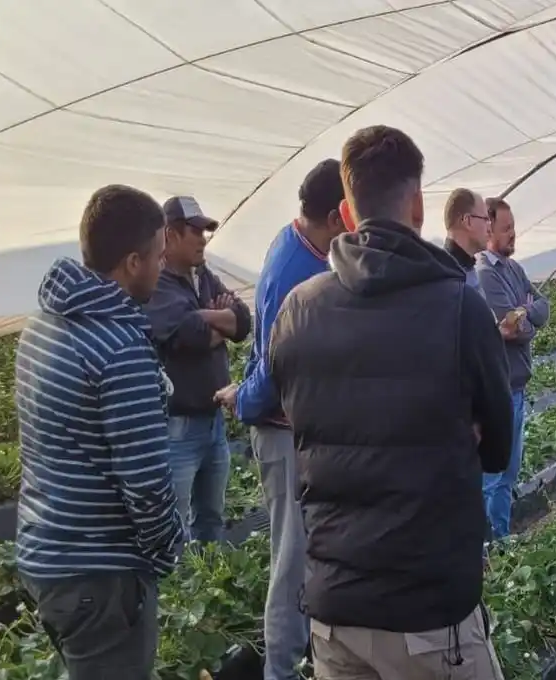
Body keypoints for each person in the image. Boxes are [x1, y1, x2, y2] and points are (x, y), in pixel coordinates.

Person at [268, 125, 513, 680]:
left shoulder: (297, 312)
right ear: (419, 205)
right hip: (429, 613)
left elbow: (301, 420)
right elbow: (497, 448)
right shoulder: (459, 309)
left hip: (335, 615)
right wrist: (455, 432)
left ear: (348, 211)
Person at [13, 185, 185, 680]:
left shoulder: (43, 322)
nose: (161, 266)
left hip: (48, 554)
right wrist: (166, 549)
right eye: (157, 255)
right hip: (100, 575)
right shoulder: (118, 347)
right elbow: (147, 483)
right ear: (133, 261)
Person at [214, 160, 346, 680]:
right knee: (292, 556)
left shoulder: (304, 247)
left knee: (309, 550)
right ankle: (281, 669)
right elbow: (273, 360)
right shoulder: (297, 268)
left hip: (299, 428)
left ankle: (311, 653)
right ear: (339, 214)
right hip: (282, 430)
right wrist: (244, 400)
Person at [144, 196, 251, 543]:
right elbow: (185, 334)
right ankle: (181, 596)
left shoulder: (202, 276)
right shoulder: (156, 283)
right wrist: (216, 320)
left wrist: (207, 318)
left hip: (213, 423)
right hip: (178, 428)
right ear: (170, 236)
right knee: (174, 528)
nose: (204, 239)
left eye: (206, 231)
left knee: (211, 520)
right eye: (196, 231)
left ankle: (209, 595)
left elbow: (243, 323)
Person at [475, 196, 550, 540]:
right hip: (499, 392)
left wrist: (525, 315)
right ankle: (489, 547)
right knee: (493, 477)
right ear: (488, 228)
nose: (513, 235)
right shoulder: (484, 273)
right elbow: (509, 325)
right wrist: (524, 315)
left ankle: (500, 542)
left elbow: (543, 308)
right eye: (506, 229)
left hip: (517, 390)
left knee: (508, 475)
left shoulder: (514, 269)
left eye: (514, 228)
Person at [443, 187, 491, 289]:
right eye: (485, 219)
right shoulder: (446, 278)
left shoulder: (467, 269)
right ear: (468, 221)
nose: (489, 228)